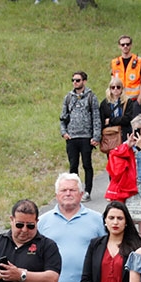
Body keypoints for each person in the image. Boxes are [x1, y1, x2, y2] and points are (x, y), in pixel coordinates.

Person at [61, 71, 102, 199]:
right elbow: (63, 117)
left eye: (78, 80)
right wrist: (64, 132)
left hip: (86, 137)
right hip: (72, 137)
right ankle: (74, 190)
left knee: (87, 164)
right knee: (73, 165)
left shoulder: (91, 97)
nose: (75, 82)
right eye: (73, 80)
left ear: (84, 81)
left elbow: (96, 118)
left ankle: (87, 191)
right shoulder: (68, 98)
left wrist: (96, 136)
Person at [111, 35, 141, 108]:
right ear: (119, 46)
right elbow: (112, 81)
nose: (125, 46)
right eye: (123, 44)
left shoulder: (139, 61)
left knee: (136, 119)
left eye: (127, 44)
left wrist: (140, 97)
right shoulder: (115, 62)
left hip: (134, 99)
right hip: (119, 99)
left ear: (131, 45)